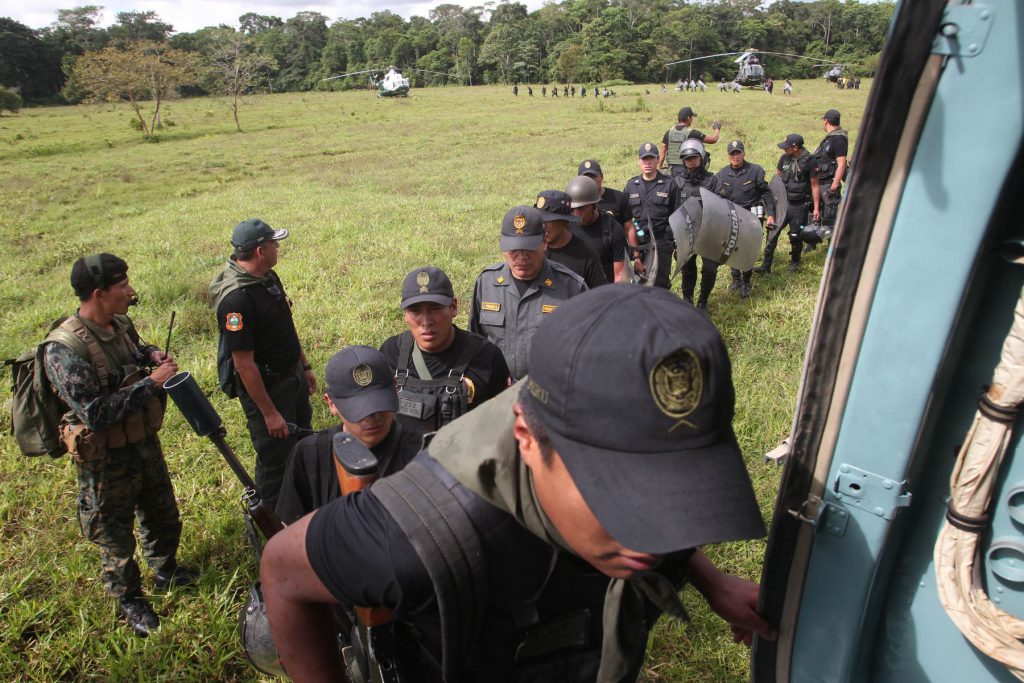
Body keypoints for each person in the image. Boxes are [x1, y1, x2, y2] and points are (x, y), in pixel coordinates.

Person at [260, 285, 774, 682]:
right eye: (618, 495)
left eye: (684, 492)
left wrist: (712, 581)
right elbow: (282, 569)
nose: (657, 538)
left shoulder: (615, 443)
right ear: (528, 440)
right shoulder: (423, 534)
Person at [44, 253, 197, 637]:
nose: (131, 291)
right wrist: (152, 383)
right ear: (99, 294)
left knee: (162, 512)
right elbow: (94, 413)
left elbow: (136, 350)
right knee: (114, 535)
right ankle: (130, 600)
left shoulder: (120, 324)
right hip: (105, 459)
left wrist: (151, 355)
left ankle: (166, 569)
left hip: (143, 442)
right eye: (122, 285)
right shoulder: (64, 349)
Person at [209, 219, 315, 512]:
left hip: (292, 376)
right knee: (275, 461)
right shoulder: (236, 301)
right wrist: (269, 413)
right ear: (260, 251)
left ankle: (303, 504)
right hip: (268, 390)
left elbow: (286, 324)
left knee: (302, 442)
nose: (277, 247)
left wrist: (304, 366)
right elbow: (243, 365)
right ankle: (272, 521)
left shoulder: (268, 278)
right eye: (273, 243)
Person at [275, 346, 422, 524]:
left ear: (396, 388)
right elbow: (289, 527)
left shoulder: (422, 452)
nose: (372, 417)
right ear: (331, 404)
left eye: (379, 404)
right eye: (359, 410)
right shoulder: (309, 455)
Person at [379, 266, 511, 441]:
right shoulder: (391, 352)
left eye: (435, 309)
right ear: (405, 315)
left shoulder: (486, 356)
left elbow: (504, 424)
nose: (426, 322)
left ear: (454, 307)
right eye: (415, 311)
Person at [469, 206, 587, 380]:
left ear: (544, 242)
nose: (522, 257)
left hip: (549, 390)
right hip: (497, 390)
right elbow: (475, 342)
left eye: (529, 248)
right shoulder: (487, 283)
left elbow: (586, 350)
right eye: (514, 249)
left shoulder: (571, 287)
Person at [716, 140, 777, 298]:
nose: (735, 156)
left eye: (738, 153)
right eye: (732, 154)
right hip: (732, 216)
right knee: (732, 248)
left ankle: (746, 282)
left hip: (752, 216)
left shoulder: (755, 171)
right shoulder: (722, 174)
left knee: (748, 250)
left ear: (744, 153)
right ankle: (736, 279)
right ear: (728, 156)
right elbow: (717, 197)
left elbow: (766, 194)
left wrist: (771, 215)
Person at [673, 138, 728, 310]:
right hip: (686, 232)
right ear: (683, 161)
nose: (691, 161)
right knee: (687, 269)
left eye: (695, 157)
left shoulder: (713, 180)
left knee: (710, 270)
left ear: (702, 158)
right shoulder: (677, 182)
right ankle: (687, 301)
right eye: (688, 159)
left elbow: (724, 208)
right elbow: (672, 209)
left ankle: (703, 301)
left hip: (709, 233)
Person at [755, 134, 821, 274]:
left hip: (799, 205)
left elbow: (815, 185)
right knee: (772, 233)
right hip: (781, 204)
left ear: (795, 148)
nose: (784, 149)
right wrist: (770, 202)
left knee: (795, 236)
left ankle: (795, 261)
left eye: (787, 147)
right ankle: (766, 265)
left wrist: (816, 208)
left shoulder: (810, 162)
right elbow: (777, 179)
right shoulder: (784, 158)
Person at [624, 142, 680, 290]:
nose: (647, 163)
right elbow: (625, 217)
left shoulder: (669, 184)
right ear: (639, 161)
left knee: (660, 284)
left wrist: (676, 244)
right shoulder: (631, 185)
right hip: (638, 243)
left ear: (658, 159)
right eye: (644, 159)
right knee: (639, 284)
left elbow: (677, 216)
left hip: (661, 242)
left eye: (651, 159)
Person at [535, 189, 607, 289]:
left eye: (549, 220)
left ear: (565, 221)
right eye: (540, 219)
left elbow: (600, 294)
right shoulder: (532, 250)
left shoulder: (587, 257)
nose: (543, 226)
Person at [566, 175, 627, 283]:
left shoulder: (613, 229)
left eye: (581, 208)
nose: (576, 214)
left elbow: (620, 275)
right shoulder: (565, 227)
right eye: (573, 209)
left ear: (594, 205)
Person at [813, 108, 849, 241]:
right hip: (820, 182)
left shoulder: (839, 138)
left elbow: (842, 163)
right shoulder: (829, 138)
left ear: (826, 121)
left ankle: (831, 246)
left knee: (830, 218)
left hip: (829, 184)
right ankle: (813, 241)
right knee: (817, 214)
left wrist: (834, 185)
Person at [658, 106, 721, 177]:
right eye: (692, 117)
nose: (692, 119)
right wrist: (717, 128)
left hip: (671, 171)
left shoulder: (669, 133)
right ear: (688, 118)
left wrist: (657, 172)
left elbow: (662, 154)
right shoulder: (692, 133)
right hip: (687, 170)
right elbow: (713, 139)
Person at [577, 159, 629, 226]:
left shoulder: (619, 198)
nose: (590, 181)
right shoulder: (574, 203)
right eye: (586, 178)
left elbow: (629, 228)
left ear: (602, 177)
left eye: (593, 176)